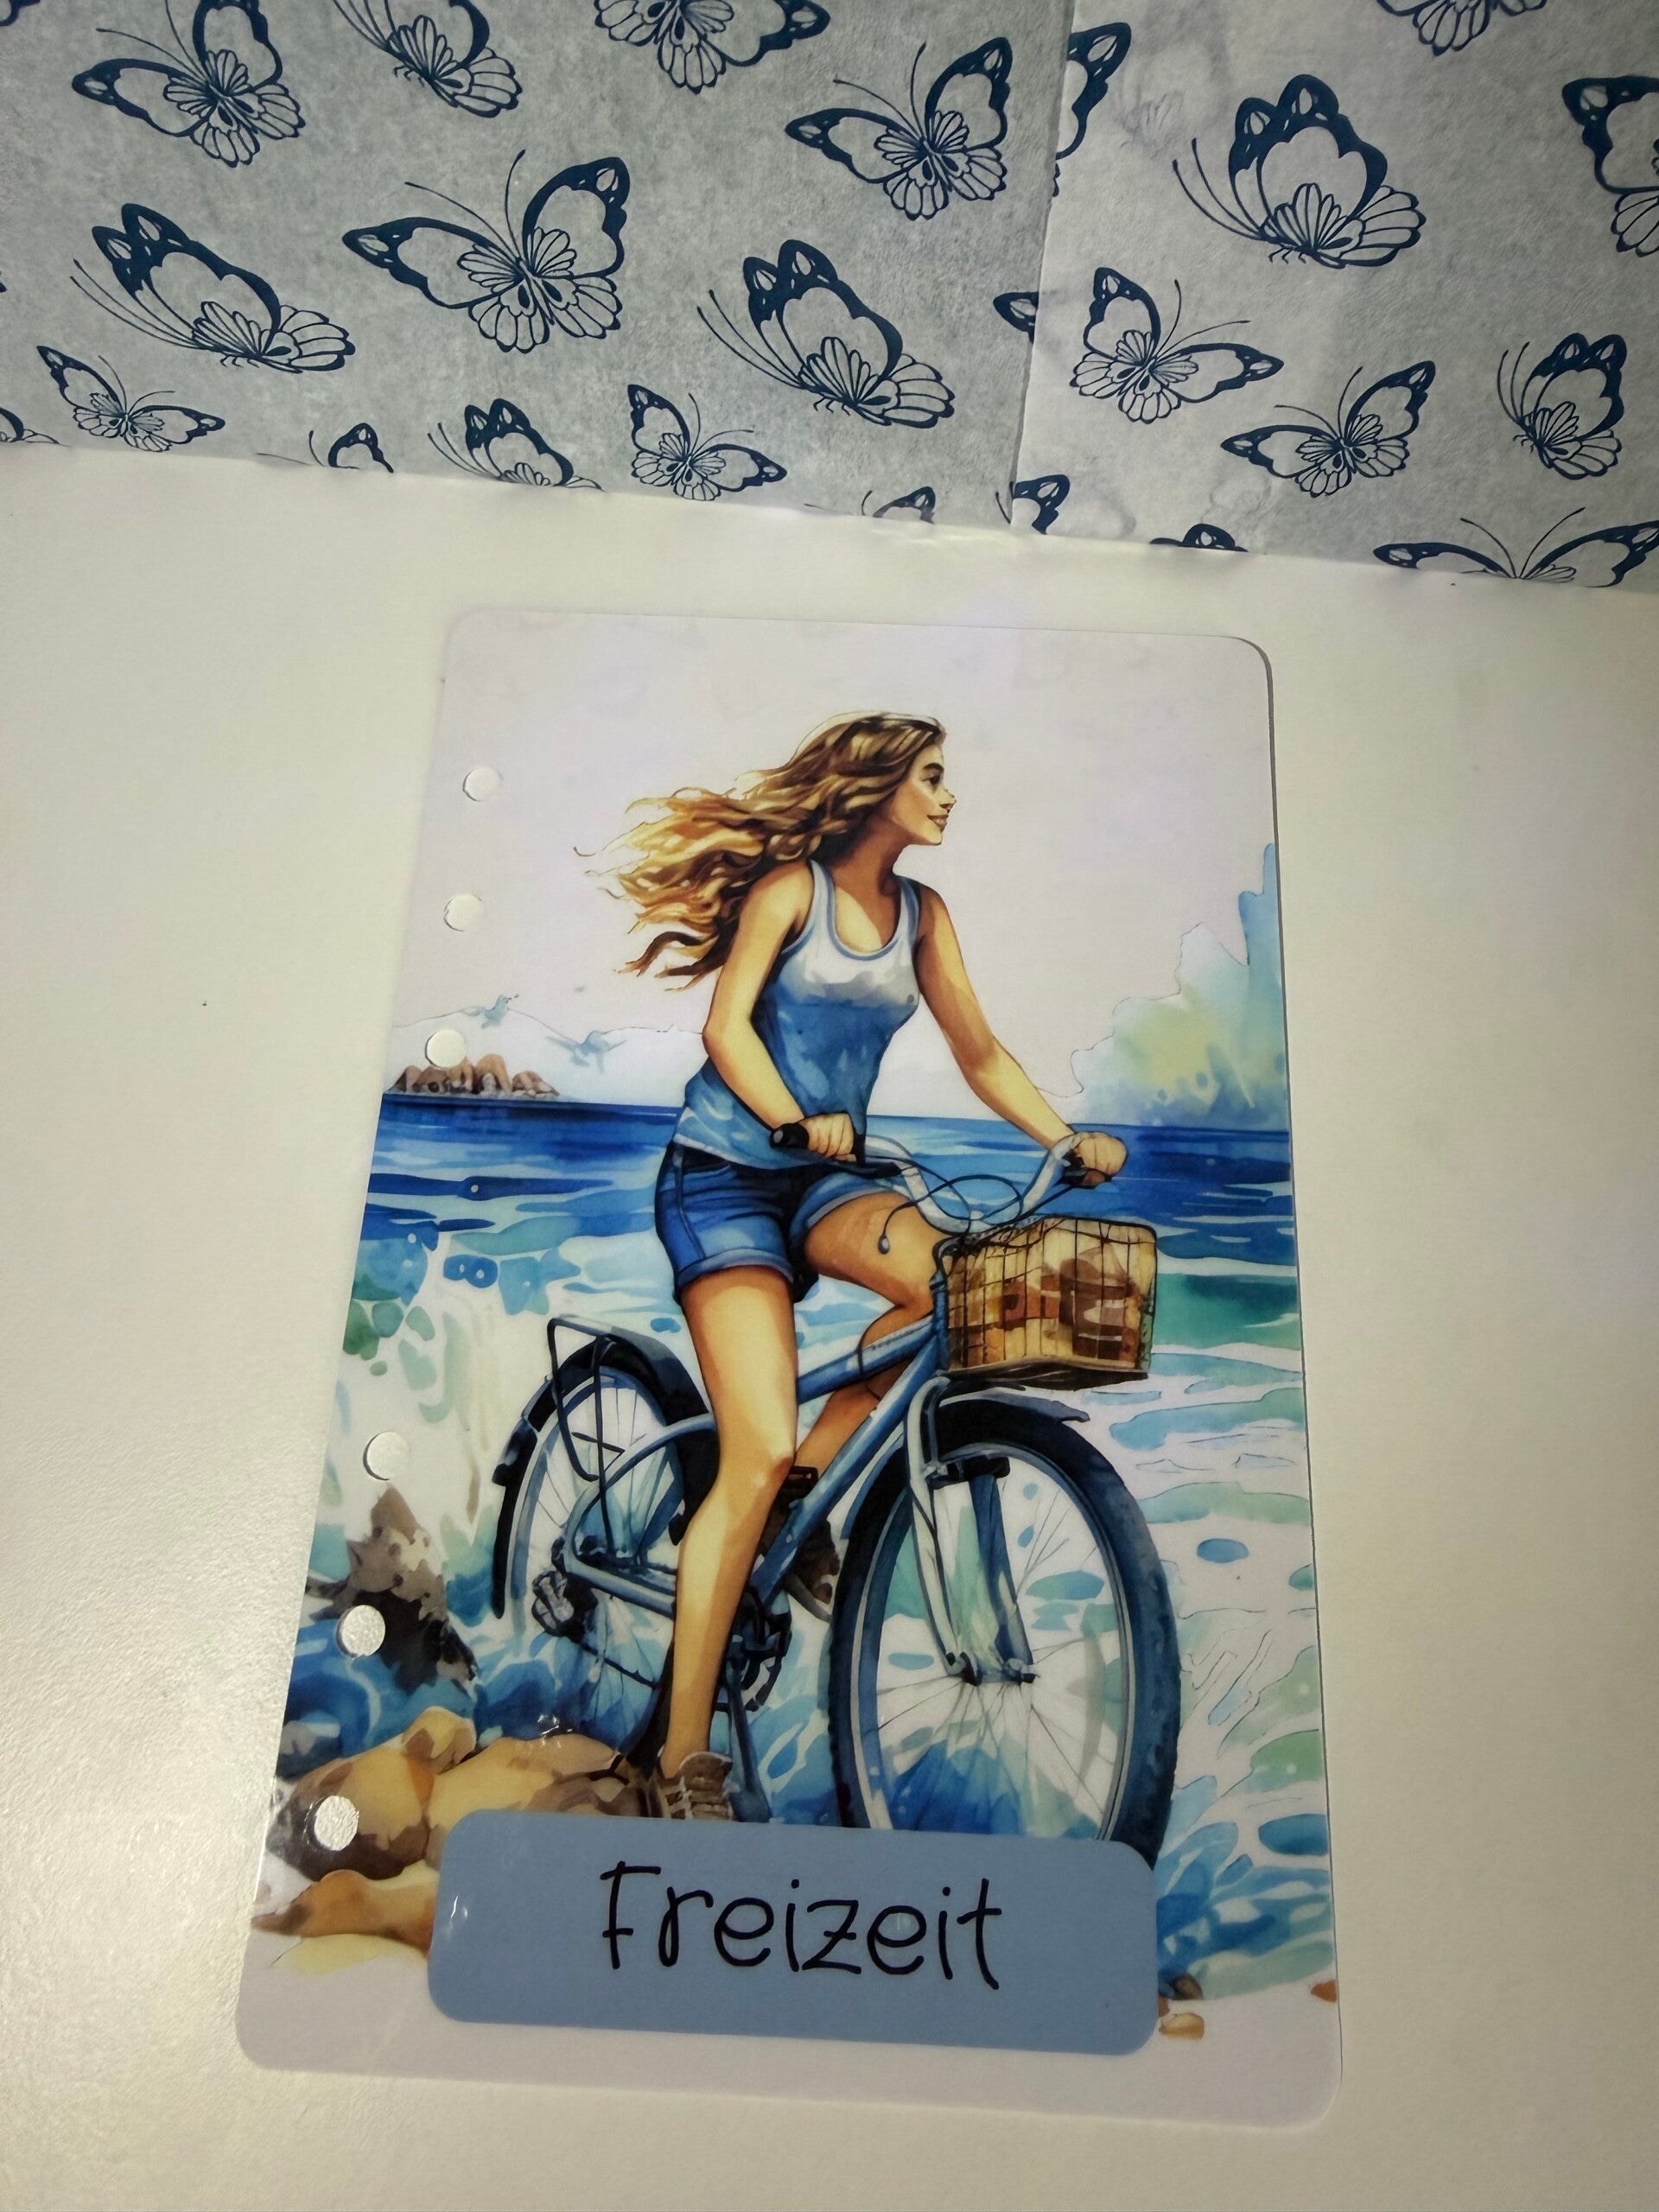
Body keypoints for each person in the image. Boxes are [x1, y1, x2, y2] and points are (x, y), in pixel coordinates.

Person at [612, 711, 1125, 1820]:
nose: (948, 795)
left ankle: (801, 1491)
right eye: (931, 776)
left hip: (831, 1178)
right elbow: (725, 1031)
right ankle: (682, 1756)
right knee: (751, 1450)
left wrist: (1063, 1139)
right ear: (878, 783)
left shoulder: (924, 916)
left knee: (957, 1289)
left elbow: (979, 1051)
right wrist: (791, 1117)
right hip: (725, 1177)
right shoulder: (789, 895)